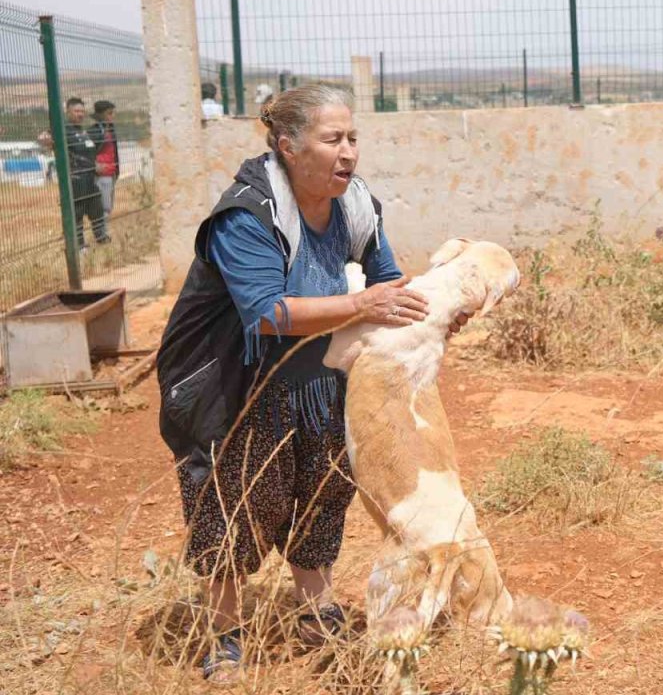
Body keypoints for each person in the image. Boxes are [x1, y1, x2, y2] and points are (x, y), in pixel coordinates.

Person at [156, 83, 467, 684]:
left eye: (353, 138)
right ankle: (222, 633)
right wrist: (362, 304)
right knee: (235, 505)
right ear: (288, 146)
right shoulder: (247, 214)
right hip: (236, 380)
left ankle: (314, 611)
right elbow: (267, 314)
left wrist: (438, 312)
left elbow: (389, 284)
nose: (348, 151)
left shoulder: (356, 204)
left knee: (324, 490)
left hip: (322, 377)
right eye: (333, 139)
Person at [38, 97, 108, 249]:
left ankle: (102, 241)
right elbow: (42, 138)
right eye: (76, 111)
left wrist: (95, 165)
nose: (80, 114)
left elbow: (87, 154)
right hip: (75, 180)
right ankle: (80, 247)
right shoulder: (63, 129)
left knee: (97, 211)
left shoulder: (83, 131)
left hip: (90, 180)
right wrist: (49, 140)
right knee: (76, 215)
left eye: (82, 111)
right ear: (68, 112)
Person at [89, 100, 119, 232]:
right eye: (109, 113)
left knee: (108, 207)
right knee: (104, 208)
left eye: (113, 113)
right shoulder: (94, 132)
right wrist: (95, 166)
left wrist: (116, 171)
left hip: (111, 173)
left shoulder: (110, 130)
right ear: (101, 115)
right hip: (102, 174)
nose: (112, 116)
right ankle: (102, 235)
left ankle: (102, 233)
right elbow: (89, 152)